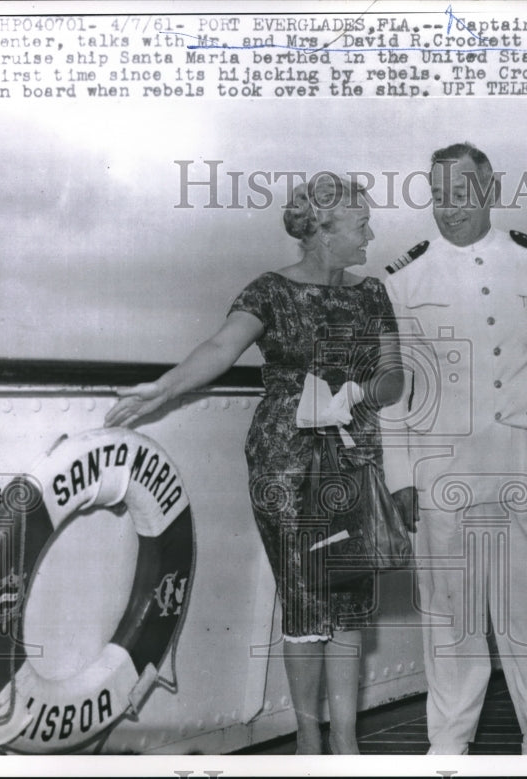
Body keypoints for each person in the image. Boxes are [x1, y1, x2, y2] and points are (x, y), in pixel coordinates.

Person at [104, 173, 405, 755]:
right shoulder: (270, 290)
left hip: (352, 452)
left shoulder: (372, 293)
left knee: (346, 598)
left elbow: (394, 376)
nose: (371, 232)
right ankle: (310, 740)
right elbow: (220, 348)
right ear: (323, 231)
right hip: (286, 459)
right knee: (305, 594)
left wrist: (360, 393)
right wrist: (161, 391)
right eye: (361, 223)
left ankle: (346, 742)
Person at [382, 142, 527, 755]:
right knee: (451, 607)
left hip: (525, 455)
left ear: (490, 189)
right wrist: (400, 473)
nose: (449, 210)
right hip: (441, 461)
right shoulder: (404, 278)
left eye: (463, 194)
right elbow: (394, 383)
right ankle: (448, 744)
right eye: (439, 196)